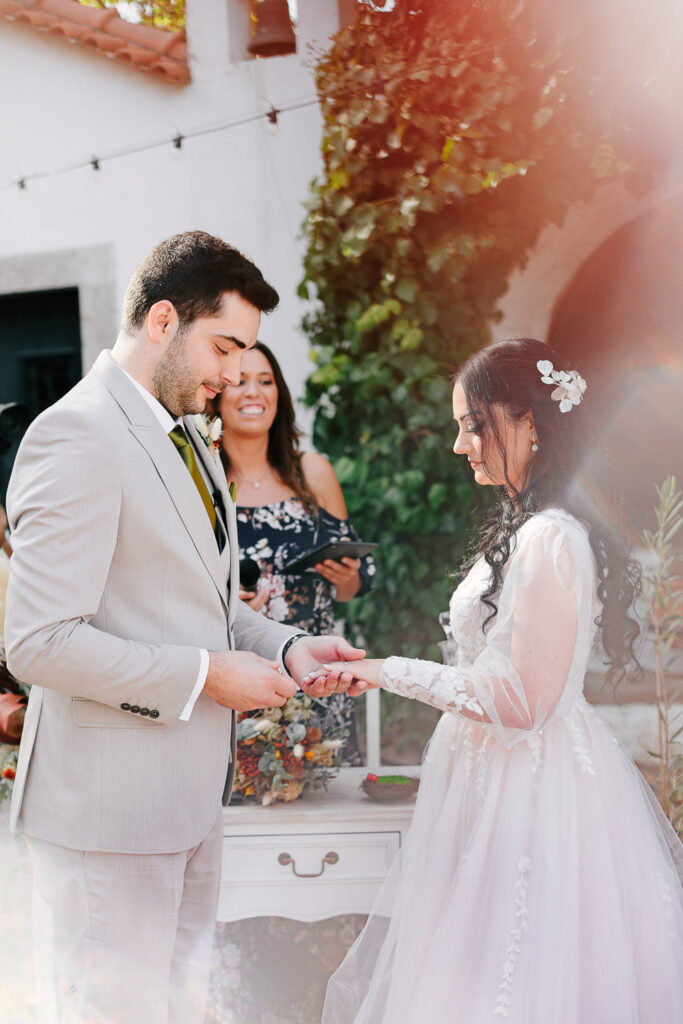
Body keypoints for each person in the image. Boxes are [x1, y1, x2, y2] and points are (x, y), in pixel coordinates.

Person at [3, 230, 364, 1024]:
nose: (237, 372)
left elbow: (200, 598)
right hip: (106, 821)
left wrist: (286, 646)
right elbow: (38, 640)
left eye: (248, 352)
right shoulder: (76, 434)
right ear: (162, 321)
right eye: (226, 345)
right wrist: (207, 676)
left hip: (189, 806)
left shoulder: (184, 437)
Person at [305, 338, 683, 1023]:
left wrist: (385, 671)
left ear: (530, 422)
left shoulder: (548, 538)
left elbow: (521, 703)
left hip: (531, 793)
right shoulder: (526, 529)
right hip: (492, 782)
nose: (460, 445)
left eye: (473, 425)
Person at [214, 341, 375, 763]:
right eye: (240, 380)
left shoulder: (313, 471)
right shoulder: (204, 484)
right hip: (242, 684)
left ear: (279, 395)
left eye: (265, 381)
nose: (253, 392)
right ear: (217, 392)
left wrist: (346, 578)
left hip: (318, 681)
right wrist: (233, 605)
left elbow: (356, 585)